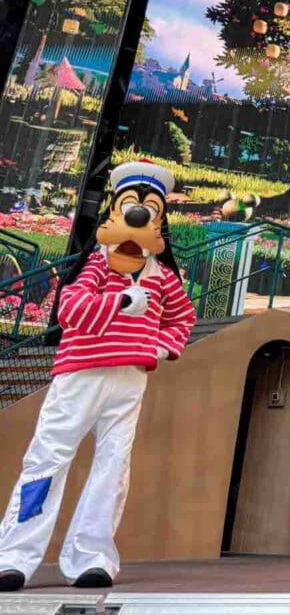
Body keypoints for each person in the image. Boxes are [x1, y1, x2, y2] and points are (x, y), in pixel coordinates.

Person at [0, 160, 196, 591]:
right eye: (131, 205)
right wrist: (121, 303)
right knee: (48, 458)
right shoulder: (96, 265)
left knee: (113, 465)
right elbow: (69, 311)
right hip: (81, 373)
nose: (140, 214)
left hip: (129, 377)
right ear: (115, 210)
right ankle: (14, 555)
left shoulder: (162, 276)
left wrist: (165, 345)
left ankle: (93, 556)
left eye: (149, 208)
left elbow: (184, 317)